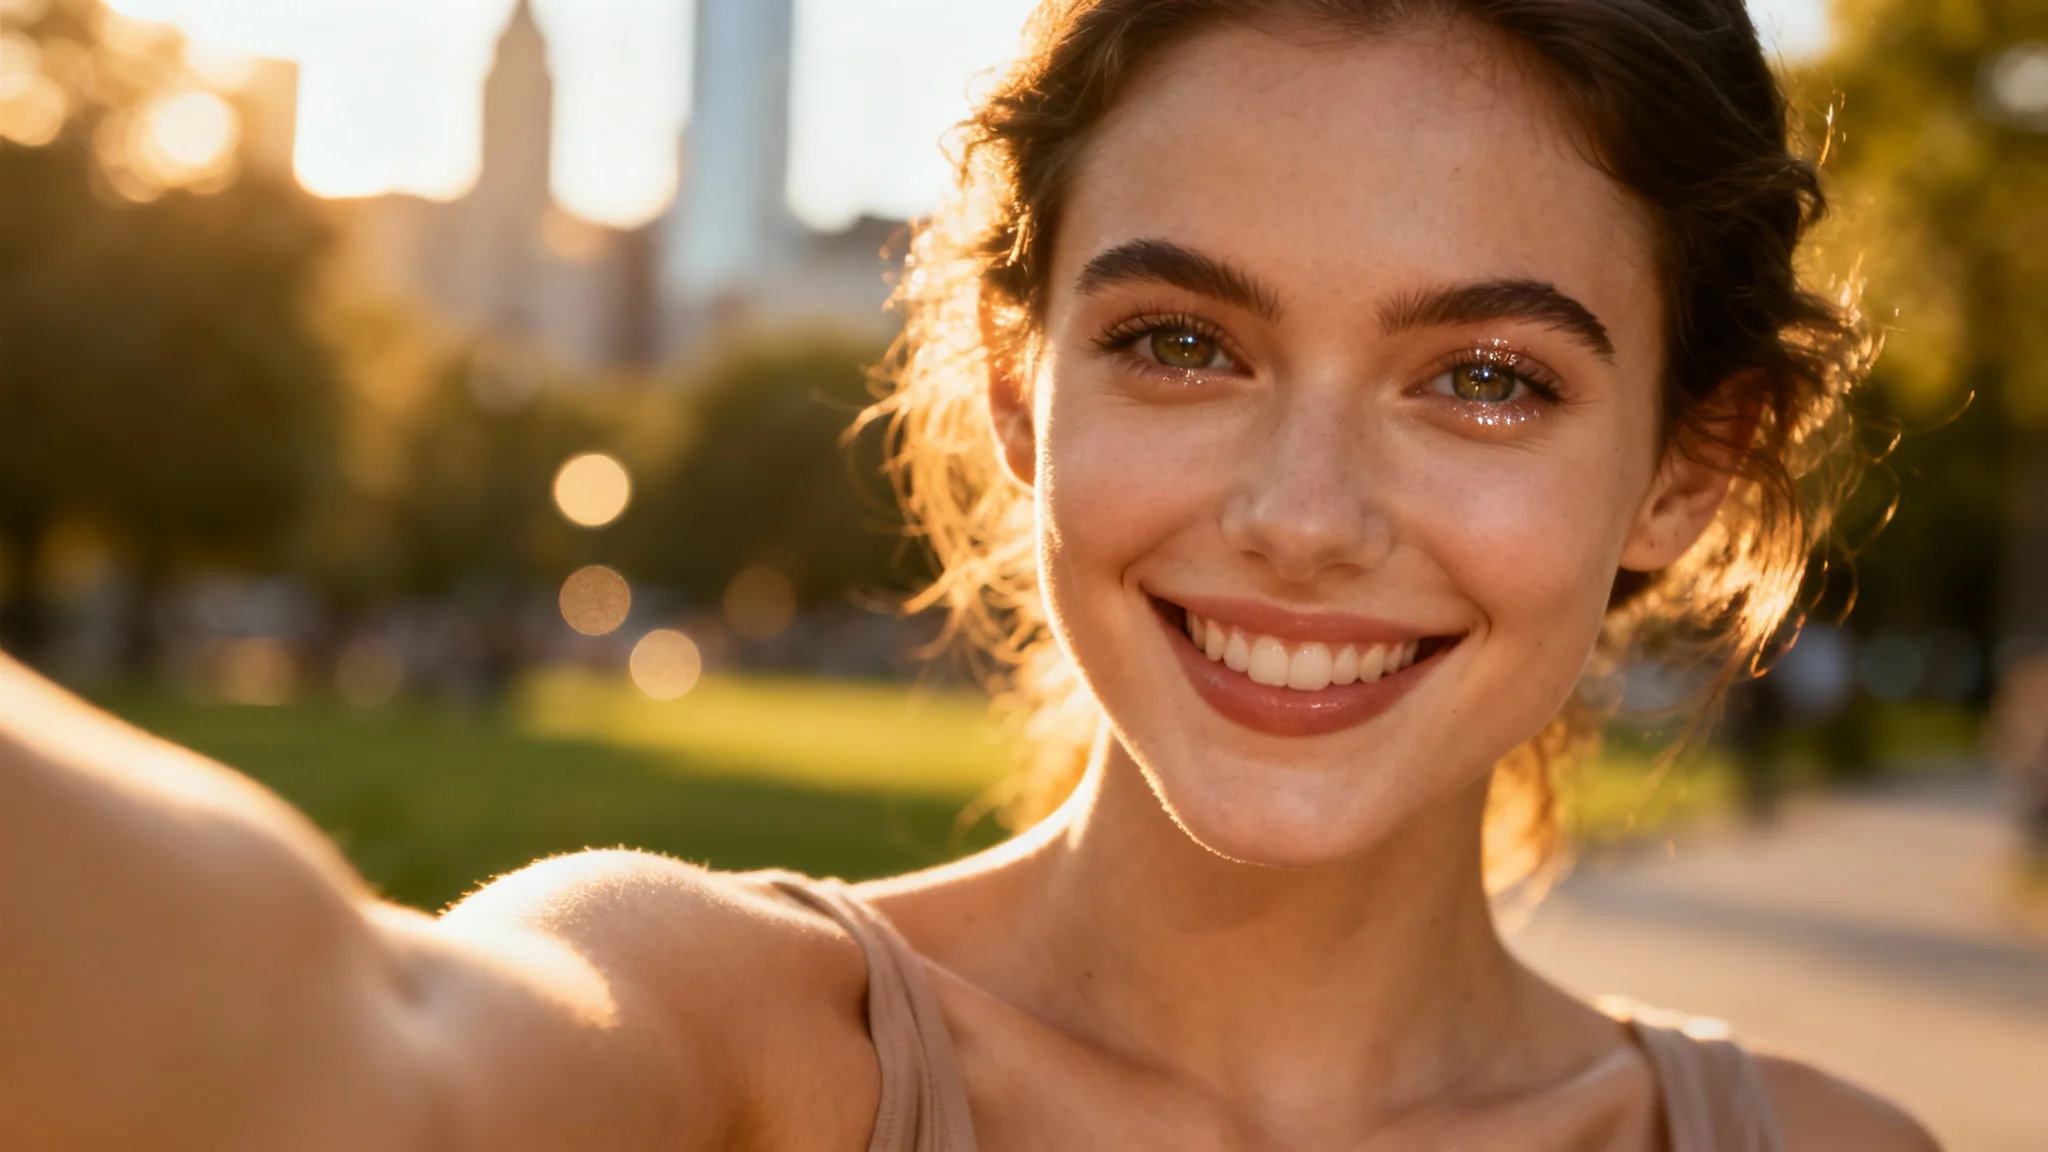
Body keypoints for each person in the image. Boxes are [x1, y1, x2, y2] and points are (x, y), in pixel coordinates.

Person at [0, 1, 1941, 1148]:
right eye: (1185, 341)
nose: (1300, 511)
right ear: (1019, 386)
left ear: (1697, 464)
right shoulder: (727, 1042)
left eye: (1486, 379)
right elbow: (341, 1066)